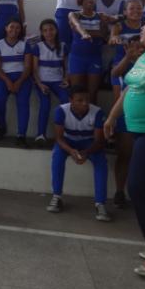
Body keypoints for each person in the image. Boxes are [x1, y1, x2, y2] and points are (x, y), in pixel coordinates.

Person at [104, 9, 145, 277]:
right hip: (139, 131)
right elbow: (129, 88)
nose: (142, 27)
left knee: (140, 188)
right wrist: (112, 117)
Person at [46, 85, 110, 222]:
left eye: (87, 99)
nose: (85, 103)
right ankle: (56, 197)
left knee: (101, 162)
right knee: (57, 156)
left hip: (89, 143)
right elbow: (59, 138)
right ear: (71, 100)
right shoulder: (61, 111)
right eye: (80, 100)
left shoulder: (98, 112)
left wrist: (86, 152)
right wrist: (71, 151)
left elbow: (99, 141)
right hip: (68, 142)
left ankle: (100, 203)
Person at [109, 35, 144, 208]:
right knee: (124, 154)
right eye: (134, 47)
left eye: (140, 47)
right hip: (126, 116)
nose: (138, 50)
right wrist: (128, 57)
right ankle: (119, 191)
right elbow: (115, 73)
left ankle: (144, 195)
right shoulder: (123, 66)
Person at [68, 0, 118, 104]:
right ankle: (76, 122)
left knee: (92, 94)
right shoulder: (74, 15)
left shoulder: (100, 16)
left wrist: (100, 31)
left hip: (94, 59)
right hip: (77, 59)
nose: (90, 0)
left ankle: (92, 121)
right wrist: (84, 33)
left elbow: (104, 35)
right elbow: (77, 25)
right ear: (81, 1)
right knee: (76, 93)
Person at [0, 17, 33, 146]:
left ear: (21, 30)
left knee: (23, 103)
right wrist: (8, 82)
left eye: (17, 28)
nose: (14, 30)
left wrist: (19, 82)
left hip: (22, 77)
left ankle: (21, 135)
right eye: (11, 27)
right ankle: (2, 127)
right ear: (6, 28)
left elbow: (27, 67)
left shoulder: (25, 44)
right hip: (3, 77)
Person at [32, 19, 69, 143]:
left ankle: (65, 134)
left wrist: (66, 78)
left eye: (51, 29)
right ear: (42, 33)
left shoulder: (63, 46)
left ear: (56, 30)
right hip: (42, 82)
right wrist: (40, 84)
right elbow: (34, 69)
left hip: (58, 81)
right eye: (45, 30)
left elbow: (66, 66)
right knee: (45, 104)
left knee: (66, 101)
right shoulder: (38, 47)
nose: (49, 33)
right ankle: (40, 134)